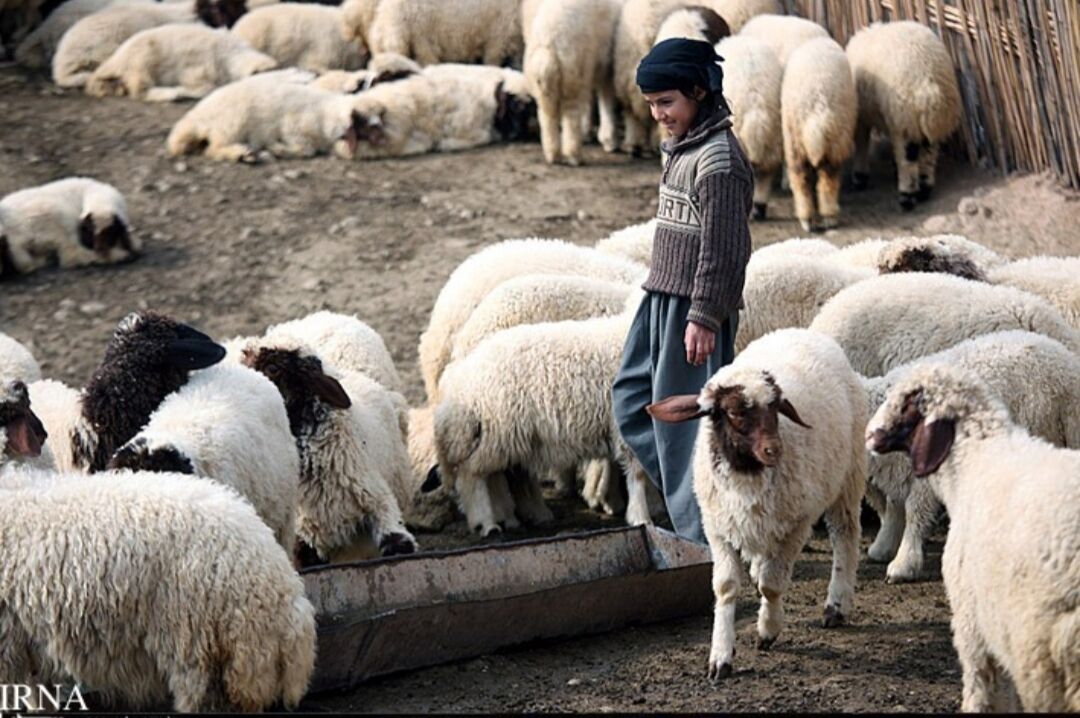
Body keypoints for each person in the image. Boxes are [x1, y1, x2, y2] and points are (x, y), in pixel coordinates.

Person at [612, 37, 753, 544]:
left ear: (698, 91)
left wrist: (705, 314)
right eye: (652, 104)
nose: (659, 115)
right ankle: (707, 504)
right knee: (631, 402)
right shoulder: (682, 147)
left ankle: (702, 539)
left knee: (686, 427)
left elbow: (726, 248)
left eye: (666, 102)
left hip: (693, 308)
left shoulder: (719, 161)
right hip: (661, 298)